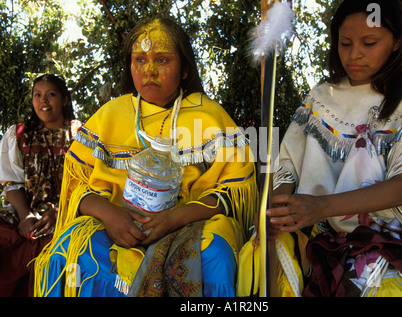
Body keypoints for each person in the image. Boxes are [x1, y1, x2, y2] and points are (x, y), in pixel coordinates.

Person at [237, 0, 402, 297]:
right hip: (313, 231)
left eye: (369, 42)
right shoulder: (320, 97)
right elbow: (288, 167)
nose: (354, 54)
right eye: (345, 43)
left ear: (398, 41)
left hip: (387, 239)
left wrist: (321, 206)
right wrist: (278, 209)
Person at [34, 17, 257, 297]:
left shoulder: (209, 116)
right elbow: (77, 186)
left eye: (162, 60)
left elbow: (232, 192)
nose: (149, 70)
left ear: (184, 69)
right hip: (113, 222)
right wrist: (110, 215)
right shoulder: (110, 115)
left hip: (191, 221)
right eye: (139, 60)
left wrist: (176, 218)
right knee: (68, 250)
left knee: (216, 254)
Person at [0, 74, 81, 296]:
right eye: (37, 95)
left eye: (51, 94)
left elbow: (88, 183)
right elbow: (12, 183)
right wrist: (25, 216)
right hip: (26, 213)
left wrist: (58, 211)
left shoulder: (81, 134)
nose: (43, 101)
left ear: (64, 100)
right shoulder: (19, 135)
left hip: (71, 213)